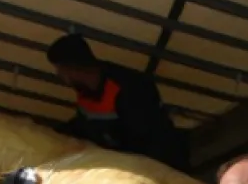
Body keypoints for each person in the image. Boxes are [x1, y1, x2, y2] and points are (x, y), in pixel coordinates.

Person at [46, 33, 190, 171]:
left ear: (73, 69)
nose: (59, 76)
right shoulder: (85, 90)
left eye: (60, 71)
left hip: (159, 165)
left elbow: (150, 141)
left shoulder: (131, 89)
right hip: (121, 162)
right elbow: (85, 123)